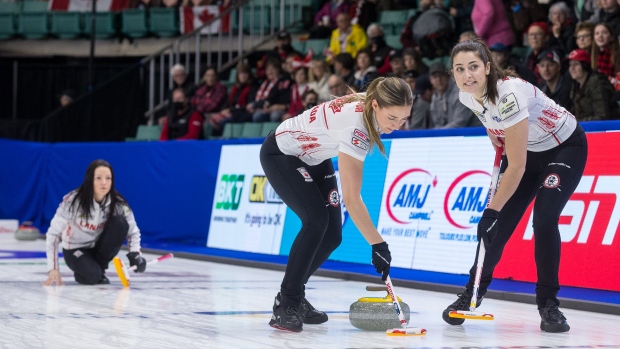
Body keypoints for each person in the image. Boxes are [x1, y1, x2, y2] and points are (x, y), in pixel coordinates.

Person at [444, 38, 588, 333]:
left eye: (473, 67)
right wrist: (492, 134)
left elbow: (518, 166)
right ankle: (472, 293)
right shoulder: (466, 95)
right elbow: (490, 120)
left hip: (563, 148)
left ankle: (549, 304)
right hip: (523, 150)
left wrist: (490, 211)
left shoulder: (509, 93)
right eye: (459, 69)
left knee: (544, 220)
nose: (467, 75)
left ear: (487, 67)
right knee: (498, 227)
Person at [260, 77, 413, 332]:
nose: (397, 126)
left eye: (403, 119)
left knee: (332, 235)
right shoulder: (357, 128)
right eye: (392, 118)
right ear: (375, 105)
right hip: (282, 154)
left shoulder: (369, 107)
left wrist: (377, 244)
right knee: (316, 221)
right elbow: (352, 199)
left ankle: (295, 296)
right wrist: (378, 245)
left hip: (315, 155)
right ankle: (286, 303)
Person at [43, 160, 146, 286]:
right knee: (92, 276)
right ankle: (90, 271)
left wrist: (135, 254)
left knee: (120, 223)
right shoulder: (72, 201)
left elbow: (133, 231)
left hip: (98, 248)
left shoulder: (119, 202)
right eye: (98, 178)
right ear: (90, 179)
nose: (104, 183)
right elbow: (53, 234)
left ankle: (99, 269)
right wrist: (53, 269)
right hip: (75, 249)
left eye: (108, 178)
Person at [567, 49, 620, 121]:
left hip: (608, 128)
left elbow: (602, 116)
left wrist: (578, 122)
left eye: (576, 64)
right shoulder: (576, 85)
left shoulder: (597, 84)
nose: (572, 68)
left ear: (585, 66)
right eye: (570, 65)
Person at [428, 62, 479, 128]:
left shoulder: (461, 93)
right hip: (452, 133)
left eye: (441, 75)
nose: (438, 79)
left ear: (448, 76)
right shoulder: (435, 96)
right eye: (435, 77)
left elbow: (459, 123)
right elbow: (437, 122)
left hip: (475, 133)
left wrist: (438, 133)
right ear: (430, 80)